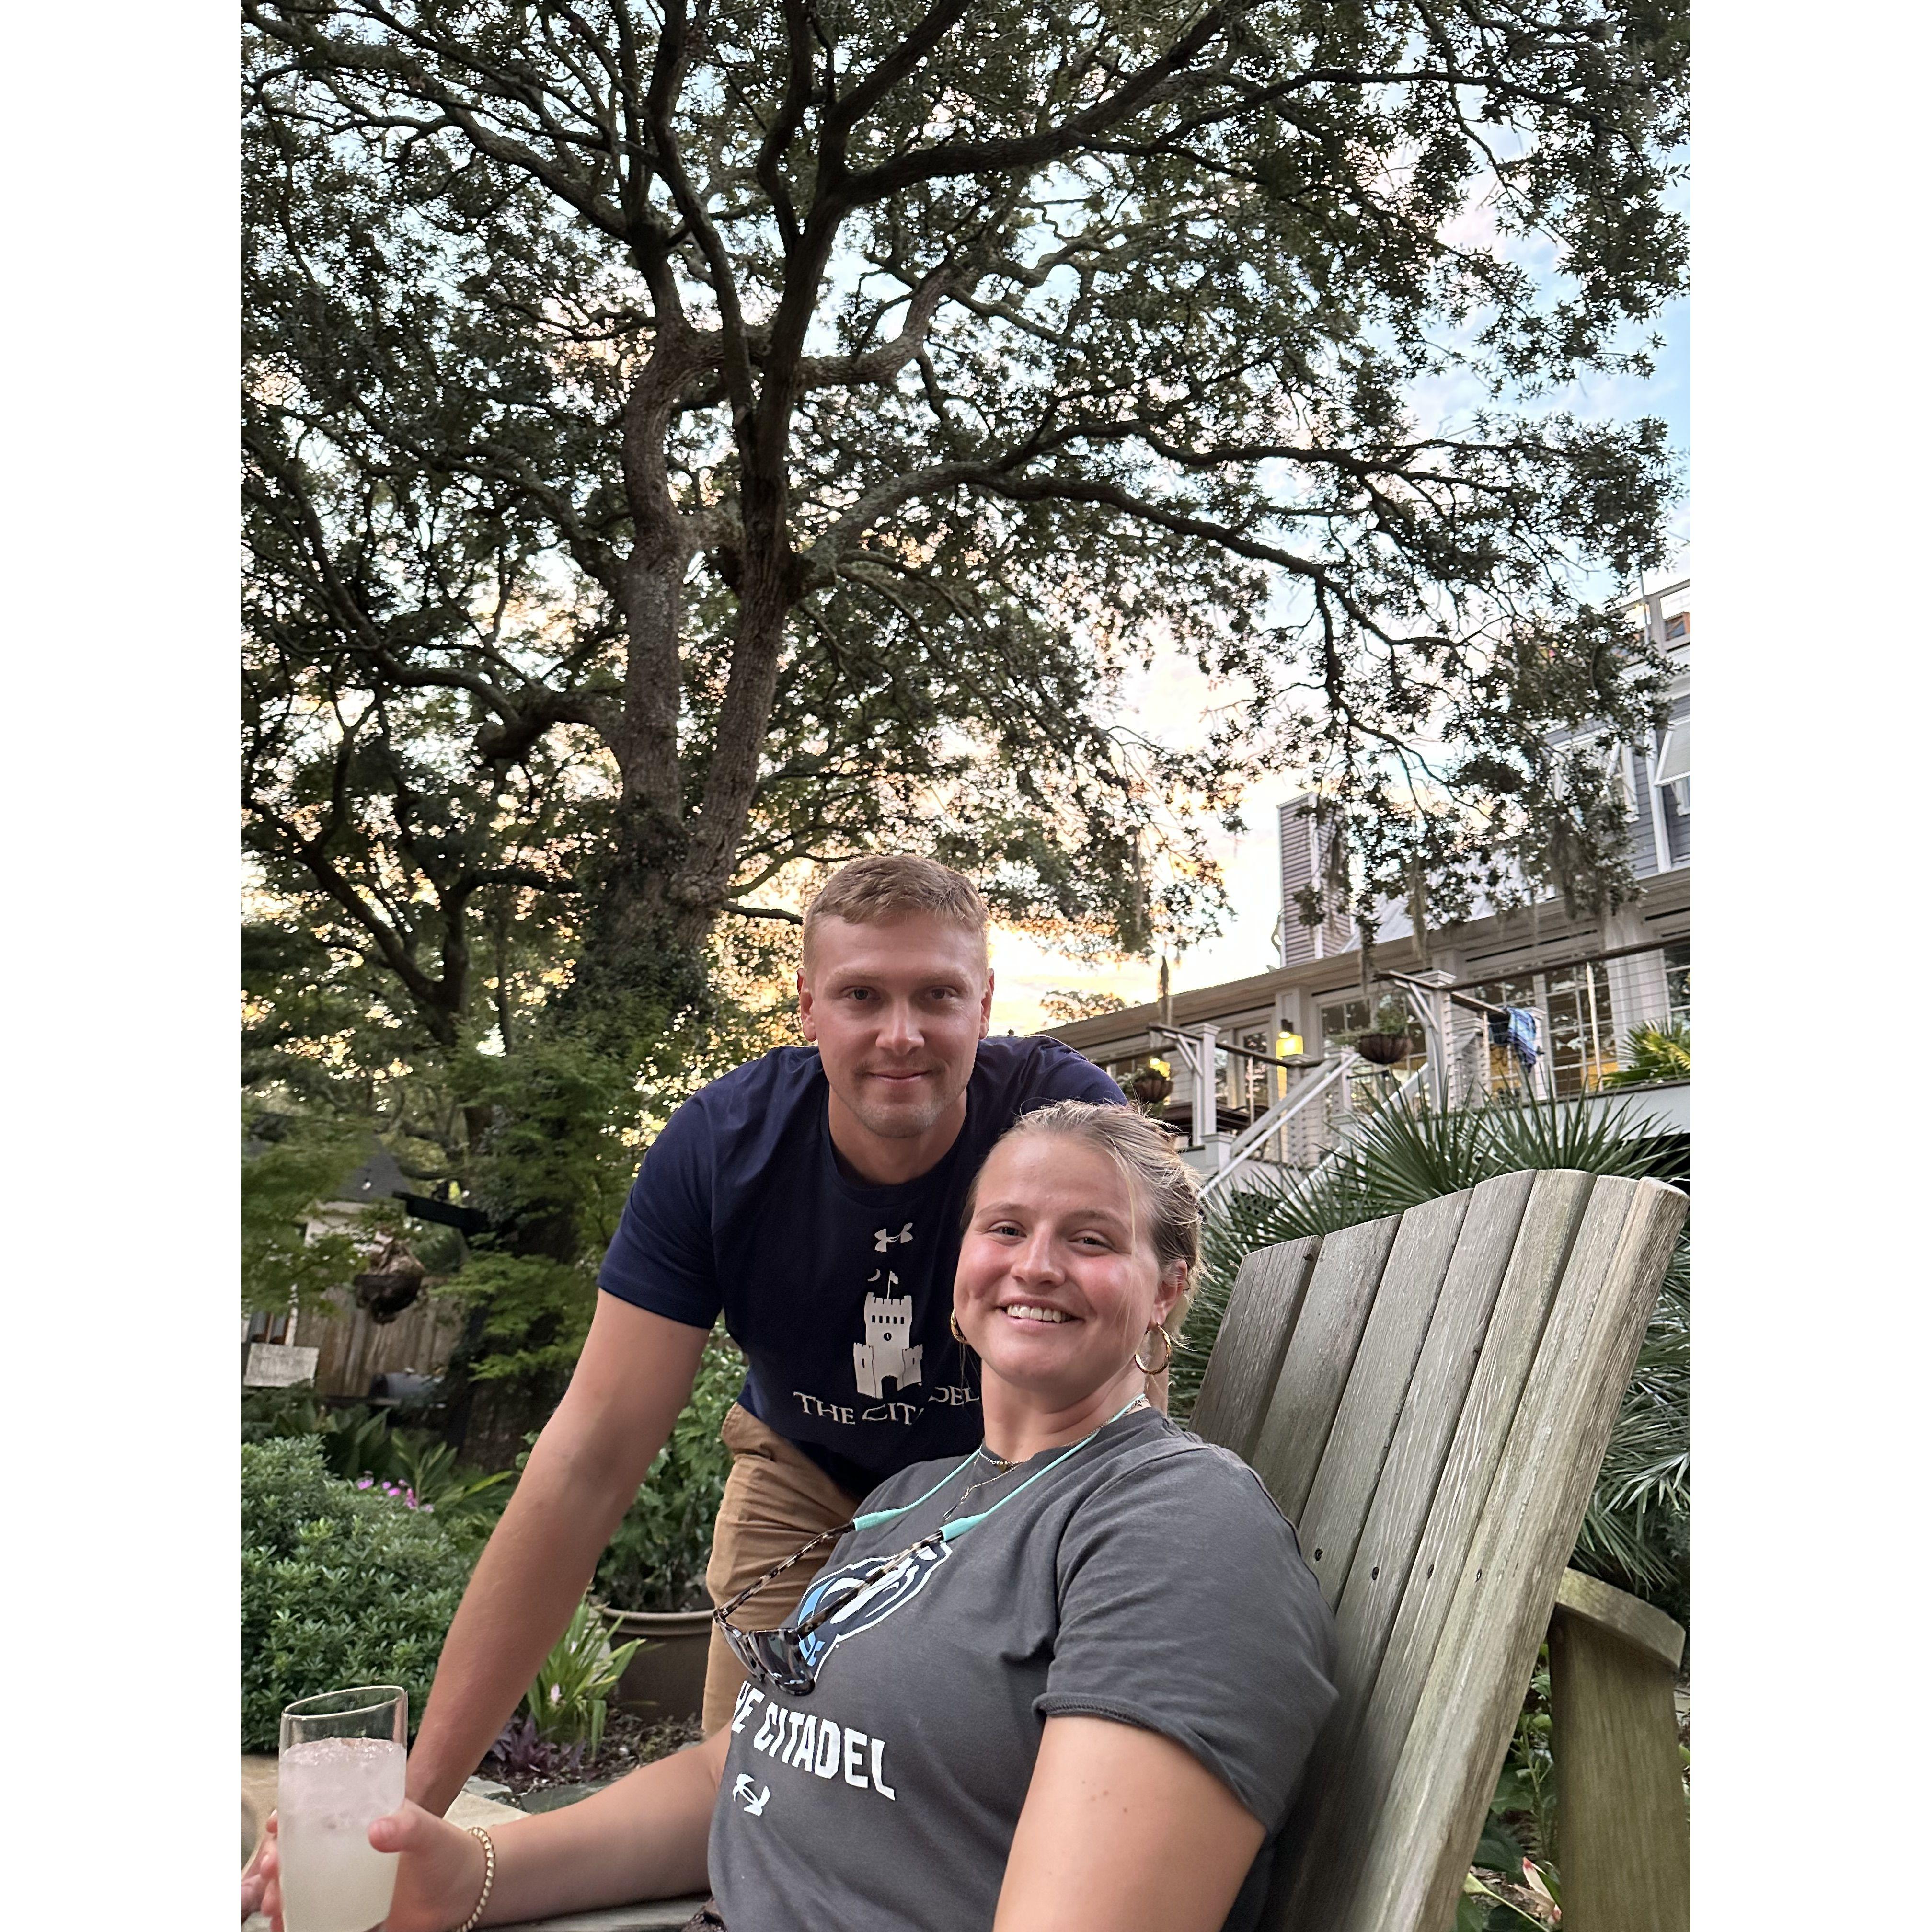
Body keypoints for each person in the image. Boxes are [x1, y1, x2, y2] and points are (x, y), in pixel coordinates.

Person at [252, 1102, 1338, 1932]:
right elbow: (746, 1769)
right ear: (961, 1267)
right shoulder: (910, 1498)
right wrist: (472, 1872)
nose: (1037, 1264)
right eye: (1005, 1227)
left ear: (1165, 1288)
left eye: (1092, 1240)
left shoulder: (1173, 1525)